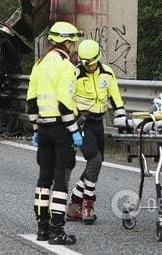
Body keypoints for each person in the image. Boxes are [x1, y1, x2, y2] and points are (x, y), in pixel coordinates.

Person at [26, 21, 83, 245]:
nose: (73, 46)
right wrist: (75, 130)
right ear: (65, 41)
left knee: (43, 179)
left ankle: (42, 229)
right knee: (60, 181)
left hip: (44, 128)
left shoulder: (39, 64)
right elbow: (65, 105)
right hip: (61, 130)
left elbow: (31, 101)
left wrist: (35, 128)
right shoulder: (66, 66)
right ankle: (57, 231)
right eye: (72, 41)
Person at [66, 39, 129, 224]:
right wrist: (71, 126)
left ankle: (74, 204)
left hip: (98, 123)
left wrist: (121, 117)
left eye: (93, 63)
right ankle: (88, 204)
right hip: (81, 123)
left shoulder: (107, 73)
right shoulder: (75, 74)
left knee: (96, 164)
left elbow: (116, 98)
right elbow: (68, 101)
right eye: (87, 63)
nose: (90, 66)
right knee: (95, 160)